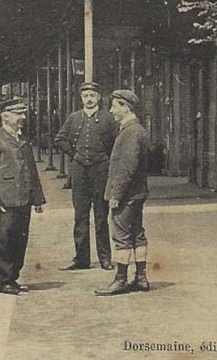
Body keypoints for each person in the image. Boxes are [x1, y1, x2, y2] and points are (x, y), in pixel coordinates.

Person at [0, 97, 46, 295]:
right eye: (19, 114)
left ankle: (13, 278)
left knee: (19, 239)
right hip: (5, 201)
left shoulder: (22, 139)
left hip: (23, 199)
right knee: (3, 240)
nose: (23, 117)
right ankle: (3, 281)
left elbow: (31, 170)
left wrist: (37, 198)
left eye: (23, 113)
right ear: (5, 116)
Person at [54, 82, 118, 271]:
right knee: (80, 216)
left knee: (101, 215)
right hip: (80, 173)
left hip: (101, 172)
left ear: (99, 97)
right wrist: (75, 155)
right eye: (85, 95)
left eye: (92, 95)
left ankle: (105, 258)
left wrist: (105, 159)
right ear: (81, 98)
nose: (89, 99)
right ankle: (81, 259)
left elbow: (117, 143)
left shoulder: (108, 119)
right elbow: (60, 138)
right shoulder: (74, 118)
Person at [96, 90, 151, 296]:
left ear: (125, 107)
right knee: (138, 235)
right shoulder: (137, 130)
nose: (111, 111)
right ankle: (141, 277)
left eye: (114, 106)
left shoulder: (129, 132)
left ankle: (120, 280)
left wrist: (116, 195)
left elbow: (126, 167)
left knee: (121, 236)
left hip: (126, 195)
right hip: (137, 193)